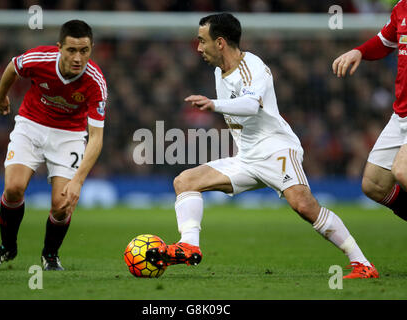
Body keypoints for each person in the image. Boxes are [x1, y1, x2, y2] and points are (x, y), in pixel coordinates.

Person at [146, 13, 378, 279]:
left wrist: (214, 104)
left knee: (303, 205)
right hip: (247, 158)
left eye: (202, 41)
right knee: (185, 181)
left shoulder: (252, 66)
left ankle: (362, 264)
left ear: (220, 42)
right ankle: (189, 246)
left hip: (276, 149)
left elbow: (250, 105)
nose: (198, 47)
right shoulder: (217, 72)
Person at [0, 20, 107, 271]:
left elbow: (96, 137)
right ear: (59, 47)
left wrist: (78, 181)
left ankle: (50, 255)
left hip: (69, 135)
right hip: (31, 125)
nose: (78, 58)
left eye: (84, 51)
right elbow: (13, 66)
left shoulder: (96, 82)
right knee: (13, 188)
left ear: (91, 49)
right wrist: (0, 94)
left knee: (62, 206)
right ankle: (6, 247)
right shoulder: (40, 58)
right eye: (71, 50)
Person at [332, 0, 407, 222]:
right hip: (401, 113)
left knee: (402, 171)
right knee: (374, 184)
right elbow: (386, 40)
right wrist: (359, 51)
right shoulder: (402, 7)